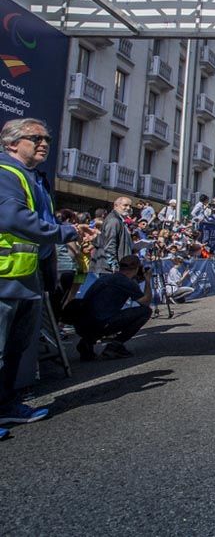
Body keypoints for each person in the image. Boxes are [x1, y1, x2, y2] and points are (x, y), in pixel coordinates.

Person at [0, 118, 90, 433]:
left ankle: (7, 406)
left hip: (26, 278)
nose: (43, 143)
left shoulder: (34, 178)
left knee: (15, 348)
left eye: (47, 138)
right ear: (11, 143)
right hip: (4, 278)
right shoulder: (5, 173)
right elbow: (15, 219)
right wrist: (65, 231)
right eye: (35, 137)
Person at [73, 255, 152, 360]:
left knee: (102, 314)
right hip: (101, 324)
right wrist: (147, 280)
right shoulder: (126, 282)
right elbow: (145, 302)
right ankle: (115, 345)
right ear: (137, 268)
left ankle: (87, 342)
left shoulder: (106, 277)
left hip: (82, 325)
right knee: (145, 311)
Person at [91, 196, 134, 275]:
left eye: (130, 206)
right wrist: (114, 266)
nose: (128, 208)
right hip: (107, 268)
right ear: (116, 205)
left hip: (110, 268)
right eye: (125, 205)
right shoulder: (114, 220)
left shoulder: (119, 221)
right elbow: (110, 244)